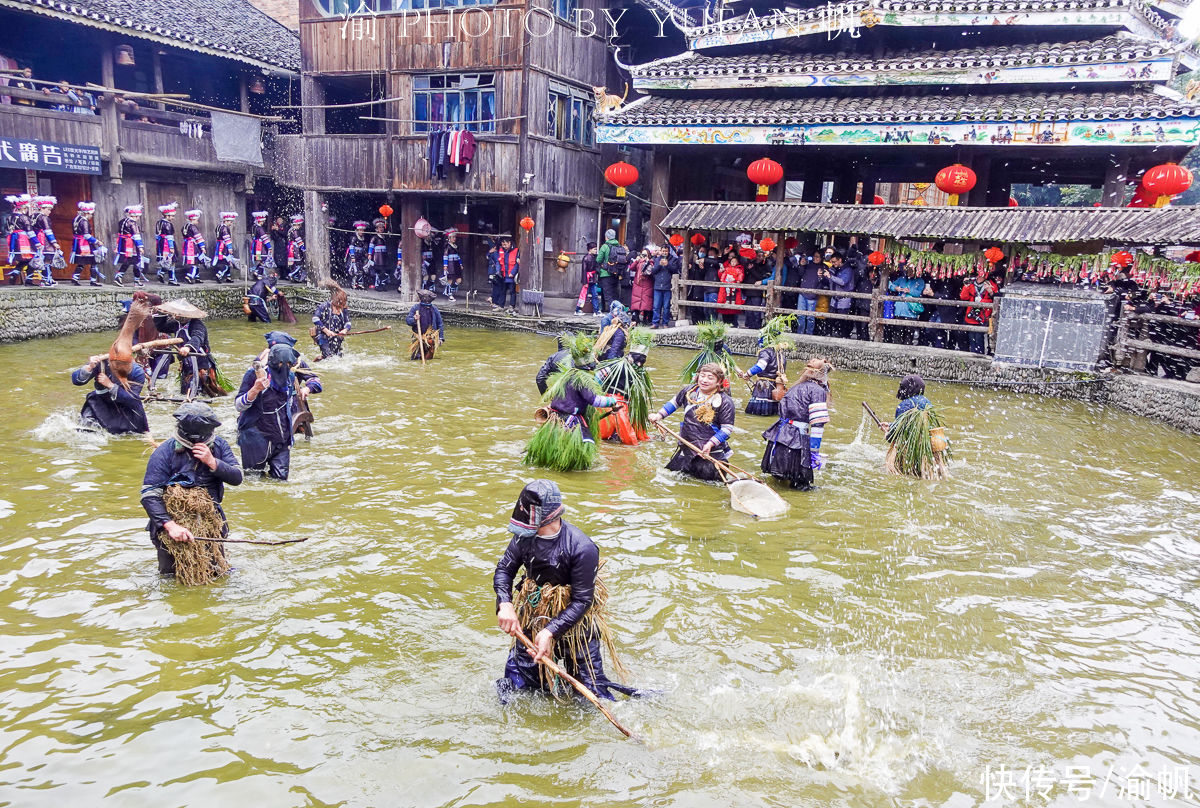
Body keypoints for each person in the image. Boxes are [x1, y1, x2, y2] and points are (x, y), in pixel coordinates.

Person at [493, 480, 637, 701]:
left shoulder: (582, 548)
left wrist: (550, 631)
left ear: (548, 517)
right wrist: (505, 603)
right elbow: (504, 568)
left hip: (576, 625)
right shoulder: (523, 537)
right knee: (518, 690)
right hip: (534, 616)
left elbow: (582, 600)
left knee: (590, 695)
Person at [140, 403, 243, 576]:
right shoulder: (164, 452)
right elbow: (149, 494)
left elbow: (237, 477)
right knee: (171, 578)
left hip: (210, 525)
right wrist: (170, 526)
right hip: (171, 529)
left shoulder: (219, 446)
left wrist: (213, 462)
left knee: (217, 573)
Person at [524, 333, 621, 472]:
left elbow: (541, 379)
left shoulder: (567, 374)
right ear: (589, 367)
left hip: (555, 417)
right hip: (571, 418)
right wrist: (612, 400)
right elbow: (594, 400)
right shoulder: (582, 379)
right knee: (587, 444)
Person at [235, 342, 321, 480]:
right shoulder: (254, 375)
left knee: (281, 481)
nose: (285, 369)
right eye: (281, 366)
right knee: (253, 480)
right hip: (256, 438)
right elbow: (239, 405)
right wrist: (255, 390)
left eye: (288, 366)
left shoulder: (290, 376)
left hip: (282, 438)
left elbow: (288, 405)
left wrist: (290, 438)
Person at [649, 362, 736, 481]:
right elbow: (673, 403)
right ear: (697, 376)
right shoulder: (688, 392)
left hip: (709, 452)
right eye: (702, 375)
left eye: (710, 378)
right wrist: (658, 415)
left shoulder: (725, 402)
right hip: (687, 444)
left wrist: (710, 444)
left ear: (719, 382)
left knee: (708, 486)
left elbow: (727, 429)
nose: (704, 380)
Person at [760, 357, 831, 491]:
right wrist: (814, 451)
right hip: (795, 444)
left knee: (777, 484)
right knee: (801, 488)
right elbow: (817, 424)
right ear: (823, 376)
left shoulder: (796, 387)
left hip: (779, 438)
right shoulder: (817, 391)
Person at [72, 350, 149, 434]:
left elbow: (132, 398)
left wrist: (110, 385)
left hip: (126, 408)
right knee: (85, 429)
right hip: (100, 402)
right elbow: (77, 381)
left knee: (127, 433)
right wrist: (89, 367)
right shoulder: (102, 363)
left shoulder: (137, 372)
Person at [739, 314, 794, 417]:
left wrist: (748, 373)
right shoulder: (779, 352)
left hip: (764, 388)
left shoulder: (766, 351)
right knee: (772, 415)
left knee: (756, 415)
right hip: (776, 388)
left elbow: (761, 366)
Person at [887, 261, 933, 345]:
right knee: (897, 334)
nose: (910, 272)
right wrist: (896, 288)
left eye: (912, 270)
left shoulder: (920, 281)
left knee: (908, 336)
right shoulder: (901, 279)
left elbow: (919, 293)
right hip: (899, 311)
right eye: (908, 270)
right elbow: (889, 284)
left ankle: (907, 353)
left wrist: (909, 291)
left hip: (911, 312)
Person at [960, 268, 998, 354]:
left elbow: (996, 299)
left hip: (983, 315)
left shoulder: (991, 284)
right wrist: (966, 286)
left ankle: (979, 354)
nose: (979, 277)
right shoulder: (971, 284)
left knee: (979, 337)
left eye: (982, 275)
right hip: (971, 314)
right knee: (971, 337)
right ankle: (973, 354)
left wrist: (990, 291)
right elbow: (963, 297)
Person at [312, 282, 352, 359]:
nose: (338, 310)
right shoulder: (324, 306)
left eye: (341, 307)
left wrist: (345, 330)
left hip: (337, 336)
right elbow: (315, 318)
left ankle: (319, 359)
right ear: (333, 302)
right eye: (337, 308)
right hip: (322, 336)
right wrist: (326, 330)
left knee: (338, 356)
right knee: (329, 357)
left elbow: (348, 322)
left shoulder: (344, 309)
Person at [70, 201, 105, 286]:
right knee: (94, 261)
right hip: (85, 244)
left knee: (82, 261)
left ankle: (75, 278)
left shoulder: (76, 219)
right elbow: (86, 235)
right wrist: (97, 242)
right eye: (91, 214)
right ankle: (93, 281)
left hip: (77, 243)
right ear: (87, 213)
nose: (91, 216)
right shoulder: (84, 221)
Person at [112, 204, 147, 288]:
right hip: (132, 246)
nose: (138, 218)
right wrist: (140, 247)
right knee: (137, 262)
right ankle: (136, 281)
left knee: (127, 261)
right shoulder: (132, 223)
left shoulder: (122, 221)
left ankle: (119, 276)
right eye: (138, 216)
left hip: (123, 245)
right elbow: (136, 236)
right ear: (134, 215)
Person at [5, 194, 36, 284]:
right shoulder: (24, 217)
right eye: (26, 208)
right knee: (31, 258)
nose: (26, 210)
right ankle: (29, 280)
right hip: (23, 240)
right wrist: (36, 242)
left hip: (13, 240)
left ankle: (14, 274)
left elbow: (7, 229)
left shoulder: (9, 217)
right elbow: (30, 231)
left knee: (23, 260)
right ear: (22, 208)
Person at [407, 289, 444, 360]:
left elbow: (440, 324)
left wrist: (441, 338)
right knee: (415, 358)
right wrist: (414, 319)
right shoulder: (416, 308)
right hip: (418, 336)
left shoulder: (434, 309)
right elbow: (408, 321)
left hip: (431, 338)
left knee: (429, 358)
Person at [31, 195, 60, 287]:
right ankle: (47, 280)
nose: (50, 212)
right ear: (42, 208)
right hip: (44, 241)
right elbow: (48, 231)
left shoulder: (32, 216)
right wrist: (54, 243)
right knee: (47, 260)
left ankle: (30, 279)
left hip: (35, 240)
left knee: (36, 260)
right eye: (48, 209)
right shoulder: (44, 217)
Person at [595, 229, 628, 310]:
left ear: (607, 237)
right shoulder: (619, 246)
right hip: (617, 274)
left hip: (606, 273)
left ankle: (613, 313)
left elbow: (598, 260)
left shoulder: (605, 246)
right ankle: (618, 311)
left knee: (608, 296)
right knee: (615, 295)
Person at [827, 251, 855, 338]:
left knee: (843, 320)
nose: (833, 264)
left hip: (844, 298)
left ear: (840, 260)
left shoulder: (848, 270)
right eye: (832, 262)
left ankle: (844, 337)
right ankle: (829, 335)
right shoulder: (834, 269)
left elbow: (843, 282)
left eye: (835, 262)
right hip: (834, 297)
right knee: (830, 318)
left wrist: (831, 277)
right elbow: (829, 281)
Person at [651, 245, 680, 328]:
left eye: (666, 251)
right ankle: (655, 323)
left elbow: (675, 270)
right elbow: (653, 271)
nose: (664, 253)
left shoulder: (673, 260)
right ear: (660, 251)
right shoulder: (656, 259)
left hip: (667, 286)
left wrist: (668, 265)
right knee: (656, 306)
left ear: (668, 251)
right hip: (657, 285)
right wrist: (659, 265)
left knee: (666, 306)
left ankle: (665, 323)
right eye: (663, 251)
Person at [796, 249, 823, 335]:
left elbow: (825, 282)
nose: (815, 258)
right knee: (800, 315)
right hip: (803, 292)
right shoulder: (808, 265)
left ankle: (809, 334)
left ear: (821, 258)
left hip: (813, 294)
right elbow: (800, 274)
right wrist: (801, 265)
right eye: (814, 256)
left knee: (810, 317)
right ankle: (800, 333)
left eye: (817, 257)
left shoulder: (823, 267)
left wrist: (820, 277)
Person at [716, 251, 746, 327]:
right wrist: (721, 273)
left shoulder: (740, 268)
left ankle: (734, 323)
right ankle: (725, 323)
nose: (733, 262)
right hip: (725, 289)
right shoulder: (726, 267)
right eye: (730, 257)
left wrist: (738, 281)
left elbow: (741, 276)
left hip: (735, 288)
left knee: (734, 306)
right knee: (725, 306)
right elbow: (721, 275)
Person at [155, 202, 180, 286]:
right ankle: (171, 279)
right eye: (172, 216)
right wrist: (171, 247)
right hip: (167, 244)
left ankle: (162, 273)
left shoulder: (159, 223)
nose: (173, 218)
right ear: (167, 215)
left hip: (161, 243)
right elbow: (169, 236)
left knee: (166, 260)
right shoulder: (168, 224)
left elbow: (157, 235)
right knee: (171, 260)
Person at [494, 235, 519, 314]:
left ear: (509, 243)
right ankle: (501, 306)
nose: (504, 246)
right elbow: (498, 261)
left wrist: (513, 273)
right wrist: (498, 271)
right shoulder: (501, 250)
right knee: (502, 291)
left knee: (512, 291)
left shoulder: (516, 251)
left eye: (505, 244)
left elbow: (517, 264)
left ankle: (511, 307)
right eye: (502, 244)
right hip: (503, 274)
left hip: (511, 274)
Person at [181, 209, 208, 284]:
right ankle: (189, 276)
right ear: (192, 219)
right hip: (192, 246)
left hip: (187, 245)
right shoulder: (193, 227)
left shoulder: (185, 227)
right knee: (195, 262)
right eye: (196, 220)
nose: (197, 221)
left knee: (197, 261)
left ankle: (197, 277)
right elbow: (198, 237)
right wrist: (202, 247)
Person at [574, 242, 601, 316]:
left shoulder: (594, 257)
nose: (596, 251)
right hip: (588, 278)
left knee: (595, 295)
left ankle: (596, 311)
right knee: (584, 296)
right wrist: (585, 282)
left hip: (593, 278)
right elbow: (584, 271)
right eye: (594, 249)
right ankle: (578, 309)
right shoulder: (586, 258)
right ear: (590, 249)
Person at [629, 247, 654, 325]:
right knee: (636, 303)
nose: (643, 256)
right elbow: (631, 268)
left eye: (645, 254)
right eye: (642, 254)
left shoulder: (650, 263)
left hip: (647, 285)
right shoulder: (638, 262)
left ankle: (645, 319)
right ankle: (636, 319)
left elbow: (650, 272)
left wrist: (647, 262)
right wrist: (636, 260)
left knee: (646, 303)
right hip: (638, 284)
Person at [213, 211, 238, 283]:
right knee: (226, 262)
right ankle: (219, 274)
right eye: (230, 222)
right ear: (226, 221)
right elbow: (227, 239)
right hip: (224, 248)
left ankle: (228, 277)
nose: (231, 223)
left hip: (219, 246)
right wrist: (230, 248)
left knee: (227, 261)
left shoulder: (218, 227)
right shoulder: (224, 228)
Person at [345, 220, 369, 290]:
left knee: (360, 270)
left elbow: (363, 247)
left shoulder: (363, 238)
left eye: (362, 230)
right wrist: (352, 256)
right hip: (354, 256)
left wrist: (365, 254)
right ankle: (353, 284)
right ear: (357, 230)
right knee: (354, 271)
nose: (361, 231)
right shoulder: (354, 238)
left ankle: (360, 284)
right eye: (360, 230)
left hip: (360, 256)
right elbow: (351, 247)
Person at [440, 227, 463, 301]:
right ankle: (450, 294)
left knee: (459, 280)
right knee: (449, 279)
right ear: (449, 237)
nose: (454, 238)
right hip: (450, 264)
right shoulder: (447, 246)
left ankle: (450, 291)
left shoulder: (456, 246)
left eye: (455, 237)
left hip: (456, 264)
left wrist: (460, 264)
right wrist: (445, 265)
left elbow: (458, 256)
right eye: (453, 237)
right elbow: (445, 256)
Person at [369, 218, 390, 291]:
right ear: (376, 229)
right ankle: (377, 285)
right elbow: (371, 246)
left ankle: (383, 284)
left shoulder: (385, 237)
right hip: (377, 256)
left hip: (383, 255)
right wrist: (369, 254)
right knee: (378, 270)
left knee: (384, 271)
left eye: (382, 227)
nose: (381, 229)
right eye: (379, 227)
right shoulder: (374, 237)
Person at [286, 214, 306, 282]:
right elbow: (298, 240)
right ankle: (292, 274)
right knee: (298, 263)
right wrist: (303, 248)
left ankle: (295, 276)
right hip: (294, 248)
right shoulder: (294, 231)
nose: (300, 226)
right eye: (299, 225)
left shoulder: (290, 230)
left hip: (290, 247)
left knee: (294, 263)